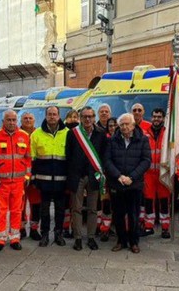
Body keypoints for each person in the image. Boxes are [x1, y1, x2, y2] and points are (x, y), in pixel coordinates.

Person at [0, 110, 32, 251]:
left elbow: (28, 159)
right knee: (1, 211)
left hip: (18, 182)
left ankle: (15, 237)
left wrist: (27, 176)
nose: (11, 122)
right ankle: (0, 238)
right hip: (1, 183)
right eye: (8, 120)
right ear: (3, 121)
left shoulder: (24, 136)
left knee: (17, 211)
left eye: (13, 120)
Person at [105, 113, 151, 254]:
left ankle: (134, 242)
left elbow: (146, 161)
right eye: (122, 124)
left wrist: (132, 177)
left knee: (134, 215)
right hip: (117, 183)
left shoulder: (142, 139)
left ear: (133, 125)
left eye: (127, 124)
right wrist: (118, 176)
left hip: (134, 184)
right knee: (118, 215)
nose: (124, 127)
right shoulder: (112, 140)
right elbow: (107, 160)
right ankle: (121, 241)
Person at [65, 106, 108, 251]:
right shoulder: (73, 134)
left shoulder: (101, 134)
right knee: (76, 208)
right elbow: (68, 156)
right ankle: (77, 238)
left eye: (90, 116)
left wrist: (101, 174)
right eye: (84, 116)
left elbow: (103, 156)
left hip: (94, 176)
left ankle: (90, 237)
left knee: (92, 209)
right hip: (77, 176)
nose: (88, 119)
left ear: (94, 117)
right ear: (80, 118)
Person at [30, 106, 69, 247]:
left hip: (61, 180)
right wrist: (33, 179)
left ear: (59, 116)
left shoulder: (68, 133)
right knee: (44, 210)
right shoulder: (36, 134)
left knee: (60, 209)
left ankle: (58, 234)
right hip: (43, 180)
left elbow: (71, 159)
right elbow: (32, 159)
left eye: (54, 114)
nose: (52, 117)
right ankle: (44, 234)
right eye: (49, 114)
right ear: (46, 116)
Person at [143, 108, 172, 238]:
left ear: (163, 118)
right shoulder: (145, 133)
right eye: (154, 116)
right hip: (148, 173)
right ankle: (148, 226)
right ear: (151, 118)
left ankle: (165, 227)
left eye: (159, 117)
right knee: (148, 200)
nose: (156, 119)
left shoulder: (168, 133)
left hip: (163, 172)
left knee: (164, 201)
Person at [20, 111, 41, 240]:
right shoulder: (16, 134)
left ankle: (34, 228)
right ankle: (21, 228)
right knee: (20, 204)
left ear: (34, 120)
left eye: (30, 118)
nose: (28, 120)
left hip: (35, 173)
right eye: (25, 118)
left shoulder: (39, 133)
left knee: (36, 203)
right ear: (21, 121)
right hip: (19, 175)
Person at [62, 109, 80, 237]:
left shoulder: (81, 132)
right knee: (65, 204)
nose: (73, 119)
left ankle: (74, 227)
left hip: (76, 173)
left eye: (75, 117)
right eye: (71, 117)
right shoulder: (62, 131)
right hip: (64, 170)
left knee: (75, 204)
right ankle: (65, 227)